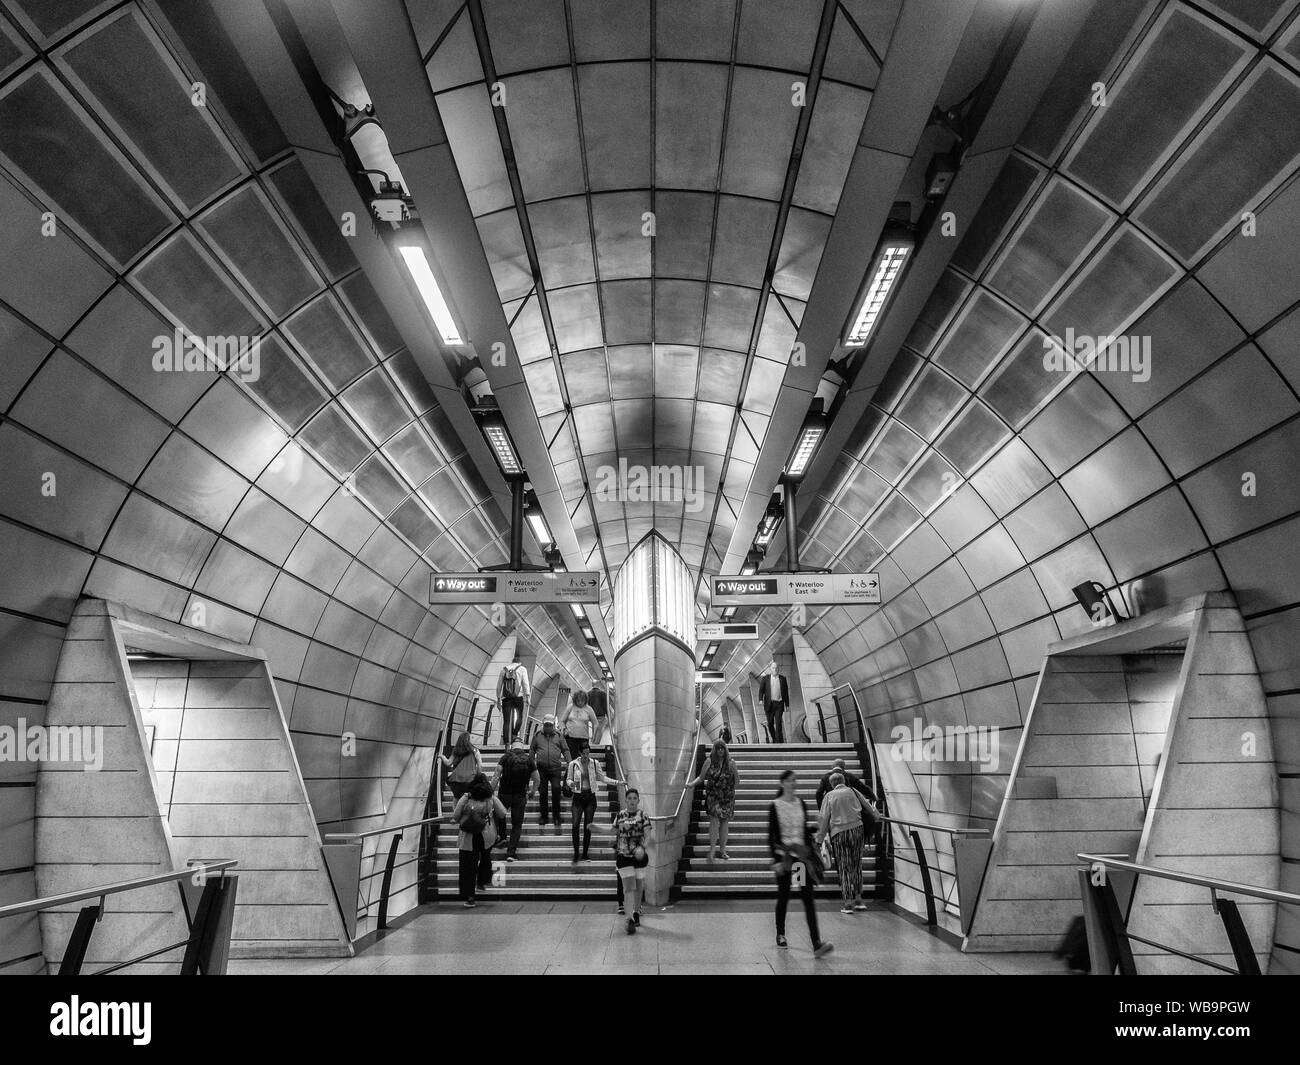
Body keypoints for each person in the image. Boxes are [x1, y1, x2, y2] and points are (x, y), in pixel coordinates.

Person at [768, 769, 833, 956]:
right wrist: (776, 860)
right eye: (789, 781)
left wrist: (816, 826)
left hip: (800, 859)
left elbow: (803, 829)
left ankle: (816, 943)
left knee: (807, 898)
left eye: (794, 780)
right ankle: (780, 933)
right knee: (784, 896)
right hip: (784, 858)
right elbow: (771, 836)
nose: (793, 783)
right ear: (782, 783)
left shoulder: (800, 803)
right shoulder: (775, 805)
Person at [816, 770, 879, 914]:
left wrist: (819, 840)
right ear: (843, 781)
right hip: (857, 831)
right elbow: (869, 808)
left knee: (844, 867)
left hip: (839, 834)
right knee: (857, 865)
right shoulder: (854, 791)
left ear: (832, 784)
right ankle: (859, 899)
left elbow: (824, 819)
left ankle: (847, 903)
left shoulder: (829, 796)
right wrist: (877, 816)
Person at [596, 787, 652, 935]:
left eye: (635, 798)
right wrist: (596, 828)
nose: (632, 801)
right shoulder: (620, 815)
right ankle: (629, 919)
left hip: (639, 856)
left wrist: (642, 848)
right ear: (625, 800)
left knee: (639, 887)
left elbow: (648, 836)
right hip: (623, 856)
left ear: (638, 800)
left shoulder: (643, 815)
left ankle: (636, 912)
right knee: (628, 888)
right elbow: (612, 831)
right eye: (630, 798)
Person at [452, 773, 507, 908]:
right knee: (485, 858)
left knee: (467, 866)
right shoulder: (490, 797)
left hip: (468, 836)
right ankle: (482, 881)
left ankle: (470, 897)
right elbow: (502, 813)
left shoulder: (466, 797)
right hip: (486, 835)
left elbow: (456, 815)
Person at [565, 740, 623, 863]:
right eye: (584, 753)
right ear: (580, 753)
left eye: (588, 753)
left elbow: (602, 778)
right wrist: (572, 785)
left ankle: (585, 854)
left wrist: (617, 782)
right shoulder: (573, 764)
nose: (586, 756)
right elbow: (568, 779)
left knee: (588, 826)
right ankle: (576, 853)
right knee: (575, 825)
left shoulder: (595, 763)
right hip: (578, 798)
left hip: (590, 798)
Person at [687, 739, 739, 861]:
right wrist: (691, 784)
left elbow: (737, 780)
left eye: (722, 748)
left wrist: (730, 792)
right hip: (713, 796)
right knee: (714, 821)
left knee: (724, 822)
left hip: (727, 797)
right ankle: (712, 849)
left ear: (725, 750)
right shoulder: (709, 761)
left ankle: (722, 850)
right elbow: (701, 777)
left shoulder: (731, 763)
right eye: (718, 748)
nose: (720, 750)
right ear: (714, 750)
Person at [492, 739, 537, 861]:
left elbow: (496, 774)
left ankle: (502, 837)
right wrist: (532, 791)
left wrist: (490, 791)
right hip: (520, 796)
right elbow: (537, 779)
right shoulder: (529, 759)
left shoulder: (505, 757)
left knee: (498, 815)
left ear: (512, 747)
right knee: (517, 825)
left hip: (504, 794)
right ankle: (511, 853)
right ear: (523, 748)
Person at [528, 713, 568, 828]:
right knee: (543, 792)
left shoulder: (559, 735)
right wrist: (530, 764)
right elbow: (532, 750)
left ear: (554, 725)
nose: (548, 727)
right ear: (543, 724)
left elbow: (565, 749)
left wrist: (570, 762)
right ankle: (544, 816)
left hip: (556, 769)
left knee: (556, 789)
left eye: (550, 725)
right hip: (541, 770)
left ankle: (556, 816)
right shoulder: (537, 735)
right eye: (546, 725)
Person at [496, 656, 531, 742]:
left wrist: (498, 699)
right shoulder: (522, 669)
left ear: (512, 662)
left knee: (506, 721)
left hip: (506, 698)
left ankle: (506, 741)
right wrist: (527, 696)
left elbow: (499, 686)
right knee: (519, 717)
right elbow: (525, 684)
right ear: (519, 663)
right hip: (518, 698)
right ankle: (514, 734)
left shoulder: (504, 670)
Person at [442, 731, 483, 803]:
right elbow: (480, 766)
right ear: (469, 740)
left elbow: (448, 763)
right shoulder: (475, 750)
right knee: (469, 797)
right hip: (470, 778)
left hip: (456, 778)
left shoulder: (456, 750)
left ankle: (456, 813)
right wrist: (478, 777)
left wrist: (442, 757)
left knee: (456, 797)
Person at [560, 689, 599, 759]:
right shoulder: (570, 707)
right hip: (570, 738)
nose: (580, 702)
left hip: (583, 738)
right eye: (578, 700)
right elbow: (562, 721)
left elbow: (595, 723)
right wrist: (563, 729)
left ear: (585, 700)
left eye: (582, 700)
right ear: (575, 700)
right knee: (571, 758)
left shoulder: (589, 709)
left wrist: (594, 734)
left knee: (582, 758)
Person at [760, 661, 789, 743]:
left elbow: (785, 692)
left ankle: (779, 742)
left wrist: (787, 704)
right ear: (770, 669)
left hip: (779, 704)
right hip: (769, 704)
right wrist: (760, 699)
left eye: (776, 668)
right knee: (770, 723)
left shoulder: (783, 679)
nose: (775, 669)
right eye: (773, 668)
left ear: (778, 669)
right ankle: (774, 738)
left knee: (778, 723)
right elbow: (761, 690)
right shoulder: (765, 679)